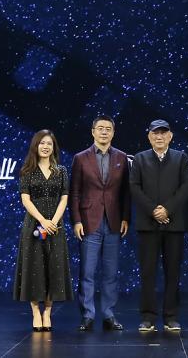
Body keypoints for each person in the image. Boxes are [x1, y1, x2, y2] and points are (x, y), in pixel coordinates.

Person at [129, 119, 188, 332]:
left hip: (174, 225)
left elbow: (186, 186)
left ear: (170, 136)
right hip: (148, 225)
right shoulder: (139, 159)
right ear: (149, 136)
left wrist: (167, 209)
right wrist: (153, 211)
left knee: (173, 272)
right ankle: (148, 317)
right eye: (155, 133)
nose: (159, 136)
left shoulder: (181, 158)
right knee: (148, 272)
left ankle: (171, 317)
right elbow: (134, 187)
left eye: (163, 133)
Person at [69, 115, 131, 331]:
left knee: (111, 273)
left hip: (114, 221)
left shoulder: (121, 157)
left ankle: (108, 314)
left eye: (108, 129)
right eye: (100, 128)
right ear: (93, 131)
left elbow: (126, 192)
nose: (104, 132)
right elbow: (74, 192)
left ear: (113, 133)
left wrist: (126, 217)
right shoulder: (80, 158)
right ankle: (88, 315)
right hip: (88, 221)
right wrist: (76, 220)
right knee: (87, 272)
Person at [12, 130, 74, 332]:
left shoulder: (61, 171)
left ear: (54, 147)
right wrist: (42, 220)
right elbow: (25, 199)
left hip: (55, 227)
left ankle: (47, 311)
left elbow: (64, 198)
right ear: (35, 146)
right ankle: (35, 312)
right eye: (42, 143)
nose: (45, 147)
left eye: (49, 143)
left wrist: (53, 222)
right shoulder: (27, 170)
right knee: (34, 268)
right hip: (34, 226)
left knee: (52, 269)